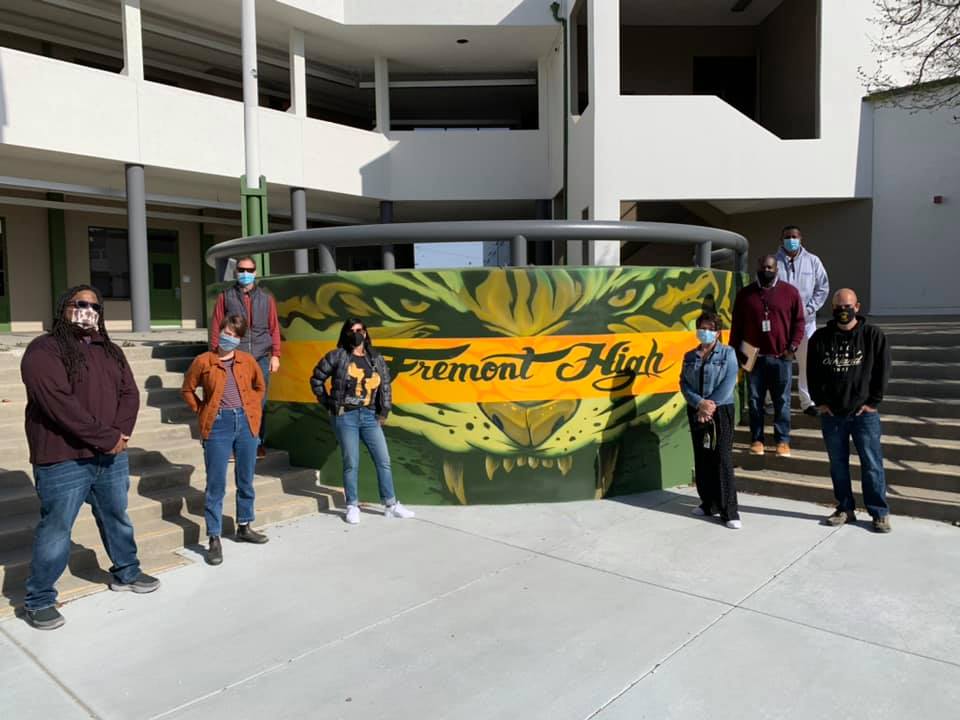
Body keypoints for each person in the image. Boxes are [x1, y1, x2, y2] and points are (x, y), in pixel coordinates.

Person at [19, 285, 160, 630]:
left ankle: (126, 571)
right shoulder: (44, 350)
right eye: (78, 304)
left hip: (110, 457)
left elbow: (129, 393)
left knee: (116, 517)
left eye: (93, 305)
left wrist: (120, 434)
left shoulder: (109, 350)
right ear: (63, 308)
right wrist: (106, 437)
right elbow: (57, 404)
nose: (87, 310)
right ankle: (39, 600)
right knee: (56, 529)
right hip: (63, 458)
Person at [182, 314, 270, 564]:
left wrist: (253, 408)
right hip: (218, 425)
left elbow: (260, 387)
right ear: (219, 332)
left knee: (246, 478)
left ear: (240, 339)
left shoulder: (247, 360)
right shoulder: (203, 361)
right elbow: (187, 389)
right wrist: (201, 409)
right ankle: (214, 537)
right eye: (227, 333)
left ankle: (244, 526)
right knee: (216, 483)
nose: (229, 338)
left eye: (235, 335)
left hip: (246, 423)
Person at [310, 318, 416, 524]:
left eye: (360, 330)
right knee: (352, 461)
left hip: (369, 416)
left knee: (383, 460)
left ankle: (391, 504)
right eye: (352, 330)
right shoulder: (338, 356)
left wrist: (384, 410)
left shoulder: (375, 358)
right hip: (346, 416)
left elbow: (385, 386)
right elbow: (316, 379)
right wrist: (329, 404)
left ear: (366, 333)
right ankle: (352, 505)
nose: (357, 334)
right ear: (346, 334)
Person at [807, 289, 892, 533]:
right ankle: (845, 507)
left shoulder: (873, 336)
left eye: (848, 305)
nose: (843, 310)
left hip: (864, 415)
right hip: (833, 415)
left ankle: (879, 512)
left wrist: (874, 402)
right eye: (838, 306)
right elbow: (811, 373)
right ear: (832, 309)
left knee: (872, 463)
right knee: (838, 464)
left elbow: (882, 371)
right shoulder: (820, 338)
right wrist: (819, 401)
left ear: (857, 306)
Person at [729, 255, 805, 457]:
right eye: (763, 267)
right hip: (753, 357)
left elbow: (799, 322)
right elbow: (737, 326)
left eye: (770, 267)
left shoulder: (790, 292)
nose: (767, 271)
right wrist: (735, 351)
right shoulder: (745, 294)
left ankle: (782, 441)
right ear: (758, 268)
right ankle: (757, 439)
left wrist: (792, 347)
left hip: (781, 356)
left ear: (777, 269)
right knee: (755, 401)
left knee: (782, 401)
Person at [210, 256, 280, 458]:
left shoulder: (266, 299)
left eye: (249, 270)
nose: (245, 274)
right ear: (236, 272)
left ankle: (257, 442)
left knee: (259, 401)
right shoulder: (226, 296)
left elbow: (274, 328)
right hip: (234, 357)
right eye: (241, 270)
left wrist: (275, 355)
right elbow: (217, 326)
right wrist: (217, 353)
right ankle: (235, 445)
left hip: (260, 357)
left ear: (255, 272)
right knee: (235, 401)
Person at [679, 311, 741, 529]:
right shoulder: (689, 356)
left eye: (709, 329)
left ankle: (729, 511)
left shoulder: (728, 353)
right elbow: (684, 384)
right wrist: (699, 404)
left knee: (721, 457)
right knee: (702, 456)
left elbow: (729, 382)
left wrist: (710, 405)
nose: (705, 332)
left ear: (717, 332)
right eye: (702, 328)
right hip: (697, 411)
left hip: (720, 411)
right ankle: (708, 503)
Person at [776, 225, 830, 417]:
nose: (791, 240)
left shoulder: (813, 261)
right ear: (781, 240)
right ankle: (772, 401)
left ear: (801, 238)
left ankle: (807, 402)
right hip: (780, 324)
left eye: (794, 236)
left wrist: (809, 309)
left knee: (807, 363)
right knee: (779, 363)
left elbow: (822, 288)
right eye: (787, 237)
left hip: (806, 323)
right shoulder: (774, 262)